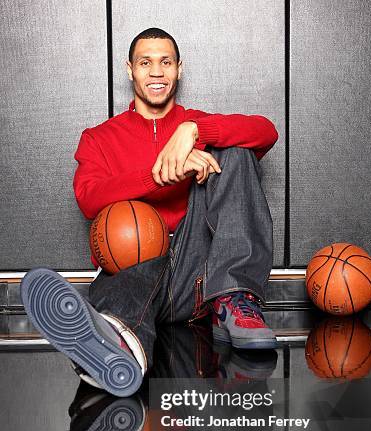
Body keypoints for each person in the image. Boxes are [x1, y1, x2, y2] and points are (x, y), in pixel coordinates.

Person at [21, 27, 279, 397]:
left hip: (202, 271)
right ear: (130, 70)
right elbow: (90, 198)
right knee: (135, 248)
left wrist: (195, 129)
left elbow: (266, 131)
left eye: (166, 62)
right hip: (139, 269)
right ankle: (117, 346)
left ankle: (234, 301)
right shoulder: (98, 137)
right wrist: (162, 173)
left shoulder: (195, 124)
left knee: (236, 150)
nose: (156, 72)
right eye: (146, 63)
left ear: (179, 69)